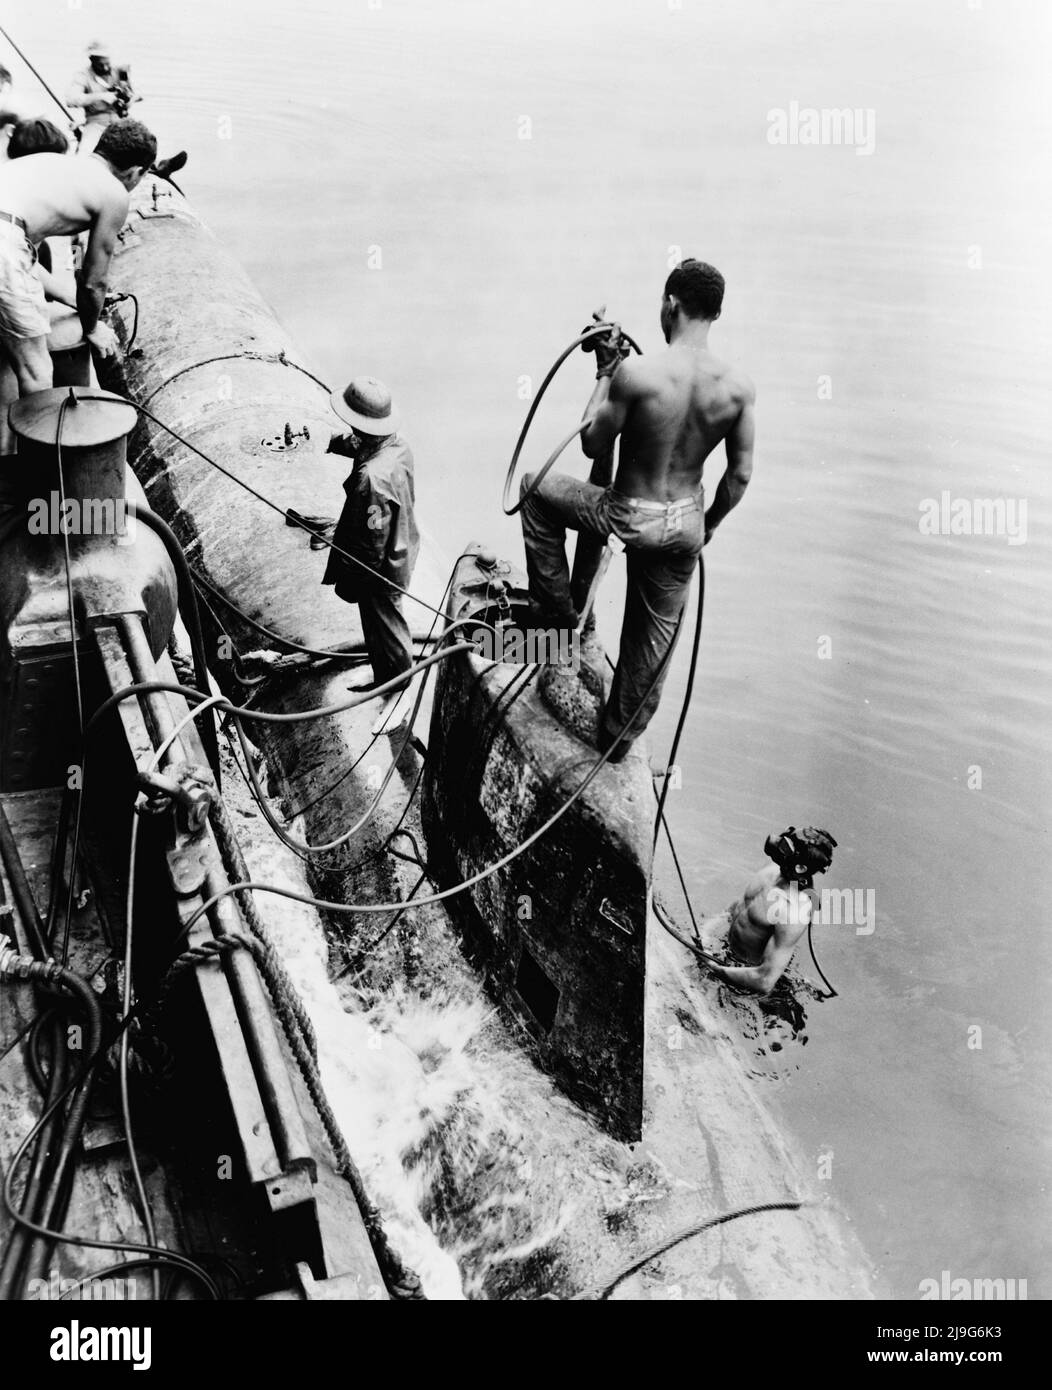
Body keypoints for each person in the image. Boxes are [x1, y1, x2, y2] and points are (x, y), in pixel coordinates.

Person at [519, 259, 755, 760]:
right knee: (655, 638)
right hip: (685, 524)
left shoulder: (637, 373)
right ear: (715, 313)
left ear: (671, 304)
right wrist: (708, 526)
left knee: (534, 492)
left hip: (627, 514)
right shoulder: (737, 388)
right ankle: (619, 736)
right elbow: (739, 476)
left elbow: (590, 442)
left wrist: (605, 371)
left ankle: (558, 627)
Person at [0, 117, 156, 452]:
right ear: (135, 173)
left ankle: (5, 453)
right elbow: (94, 282)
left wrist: (70, 298)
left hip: (6, 242)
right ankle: (42, 480)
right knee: (36, 369)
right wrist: (92, 325)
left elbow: (18, 262)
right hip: (5, 245)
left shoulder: (57, 167)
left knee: (6, 356)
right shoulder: (113, 192)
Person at [321, 377, 420, 693]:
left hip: (381, 565)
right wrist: (335, 442)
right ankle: (386, 673)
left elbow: (370, 545)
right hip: (403, 542)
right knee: (382, 621)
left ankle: (397, 681)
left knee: (385, 622)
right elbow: (363, 445)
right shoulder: (398, 446)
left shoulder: (371, 480)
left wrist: (352, 580)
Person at [702, 827, 837, 995]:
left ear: (800, 868)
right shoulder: (774, 868)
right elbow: (735, 908)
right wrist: (704, 935)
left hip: (743, 978)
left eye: (786, 847)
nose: (776, 844)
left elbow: (764, 980)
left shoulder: (793, 912)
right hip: (722, 952)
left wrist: (715, 968)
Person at [66, 40, 138, 156]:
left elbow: (137, 95)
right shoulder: (83, 75)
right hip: (96, 123)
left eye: (107, 63)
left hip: (122, 121)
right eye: (100, 65)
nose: (105, 68)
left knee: (140, 149)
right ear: (91, 60)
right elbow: (71, 100)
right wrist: (101, 96)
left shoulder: (120, 71)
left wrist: (130, 99)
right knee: (84, 154)